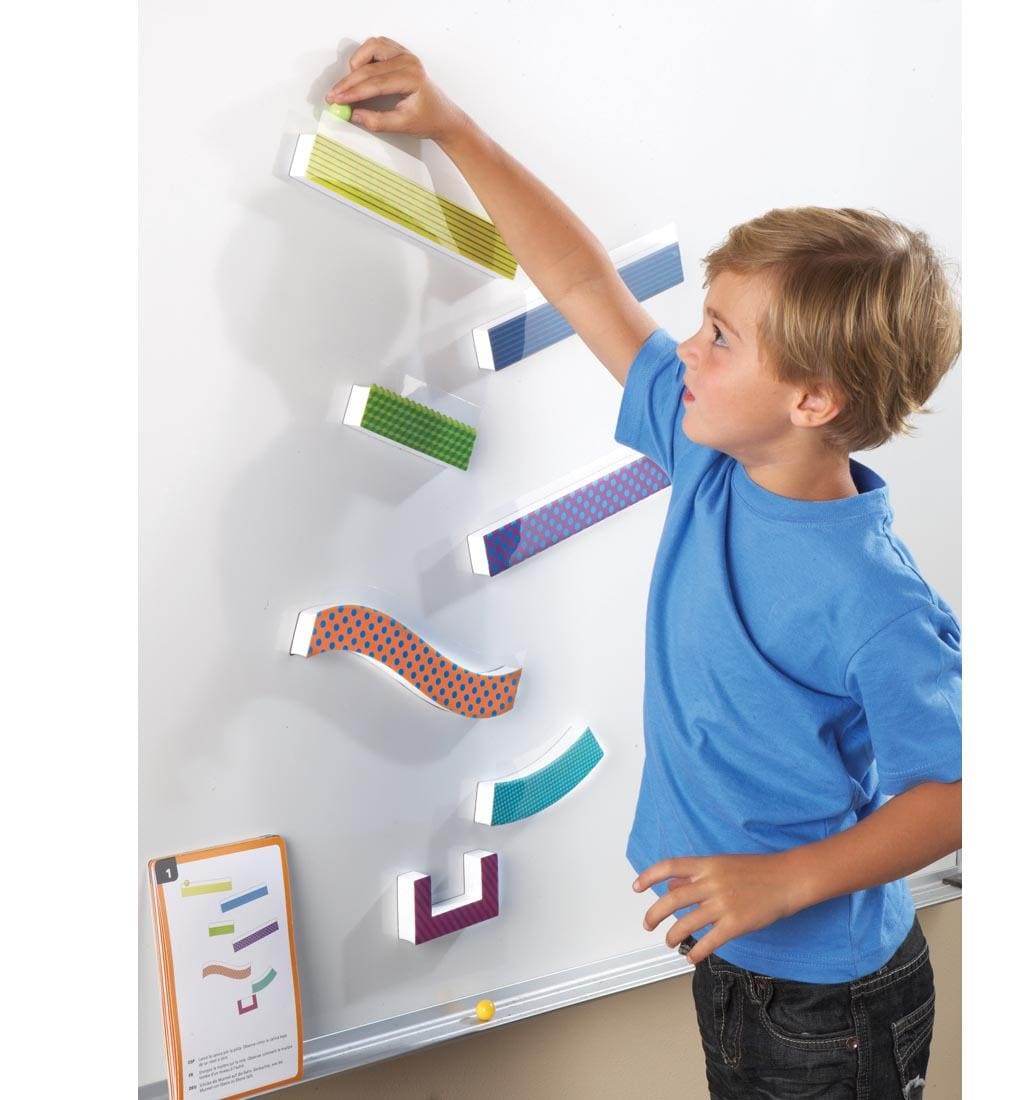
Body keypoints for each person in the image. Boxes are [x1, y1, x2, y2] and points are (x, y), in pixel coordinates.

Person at [326, 36, 962, 1100]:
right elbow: (579, 281)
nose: (685, 350)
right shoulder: (706, 450)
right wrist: (451, 128)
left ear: (811, 402)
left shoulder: (874, 601)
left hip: (829, 1002)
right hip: (733, 957)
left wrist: (781, 882)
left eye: (718, 335)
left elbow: (958, 790)